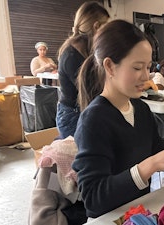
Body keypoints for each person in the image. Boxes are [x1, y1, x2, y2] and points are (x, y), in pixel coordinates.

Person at [72, 19, 164, 219]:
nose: (146, 76)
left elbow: (157, 150)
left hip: (140, 213)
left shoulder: (141, 109)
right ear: (109, 67)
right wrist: (150, 166)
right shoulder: (94, 120)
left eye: (148, 67)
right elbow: (93, 199)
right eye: (137, 68)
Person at [56, 1, 109, 139]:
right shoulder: (71, 56)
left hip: (83, 110)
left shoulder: (88, 49)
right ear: (96, 26)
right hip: (72, 116)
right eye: (106, 27)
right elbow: (92, 90)